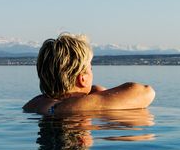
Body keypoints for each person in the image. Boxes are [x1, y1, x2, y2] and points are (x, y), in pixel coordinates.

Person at [22, 33, 155, 114]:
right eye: (91, 69)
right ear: (82, 78)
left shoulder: (36, 103)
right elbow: (146, 92)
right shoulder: (68, 108)